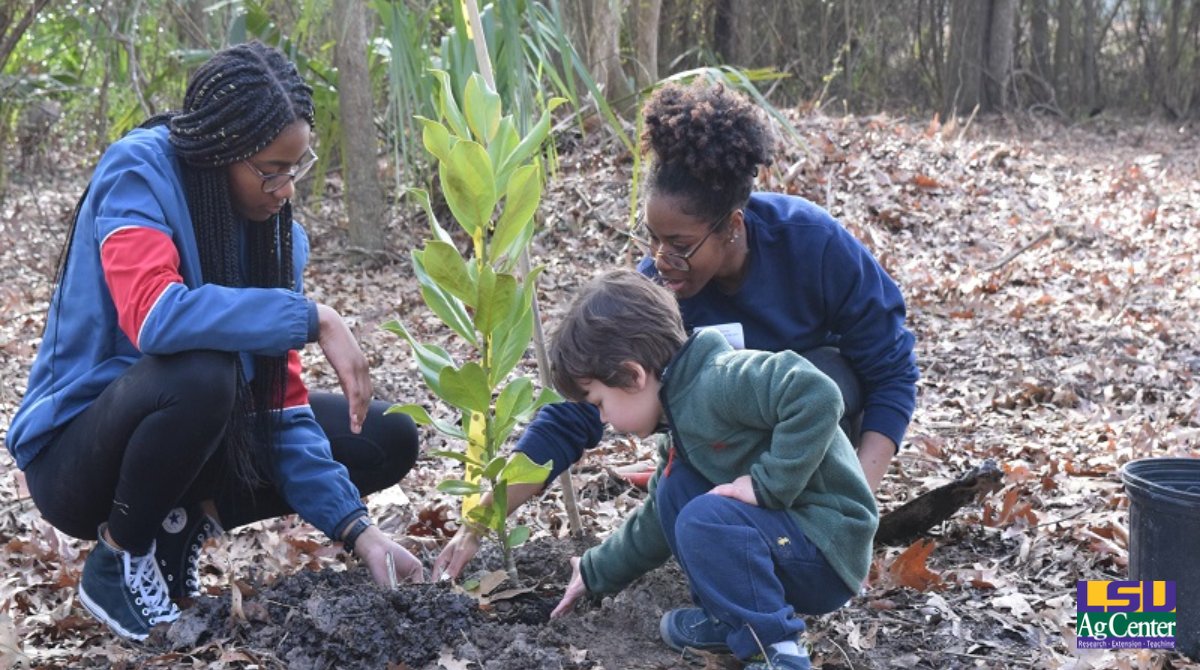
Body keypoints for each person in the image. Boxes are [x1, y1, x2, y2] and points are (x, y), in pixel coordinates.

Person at [5, 42, 424, 643]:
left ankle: (177, 527)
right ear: (223, 151)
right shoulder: (137, 173)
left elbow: (279, 407)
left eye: (297, 167)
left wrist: (359, 531)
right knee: (203, 369)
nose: (285, 189)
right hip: (78, 456)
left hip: (193, 432)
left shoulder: (278, 237)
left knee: (385, 437)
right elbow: (155, 316)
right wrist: (315, 318)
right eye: (271, 170)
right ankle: (118, 556)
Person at [434, 79, 917, 580]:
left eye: (680, 244)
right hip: (735, 456)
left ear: (732, 225)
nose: (663, 261)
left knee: (823, 373)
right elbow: (571, 415)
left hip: (819, 433)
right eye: (652, 240)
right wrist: (479, 522)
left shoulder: (811, 245)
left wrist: (862, 489)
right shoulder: (658, 293)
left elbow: (891, 370)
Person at [545, 269, 877, 670]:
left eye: (599, 403)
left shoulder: (720, 380)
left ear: (633, 375)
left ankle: (775, 650)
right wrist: (596, 570)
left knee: (704, 518)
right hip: (787, 540)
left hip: (826, 546)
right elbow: (654, 519)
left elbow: (817, 393)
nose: (602, 420)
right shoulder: (678, 421)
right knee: (674, 489)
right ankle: (729, 620)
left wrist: (766, 485)